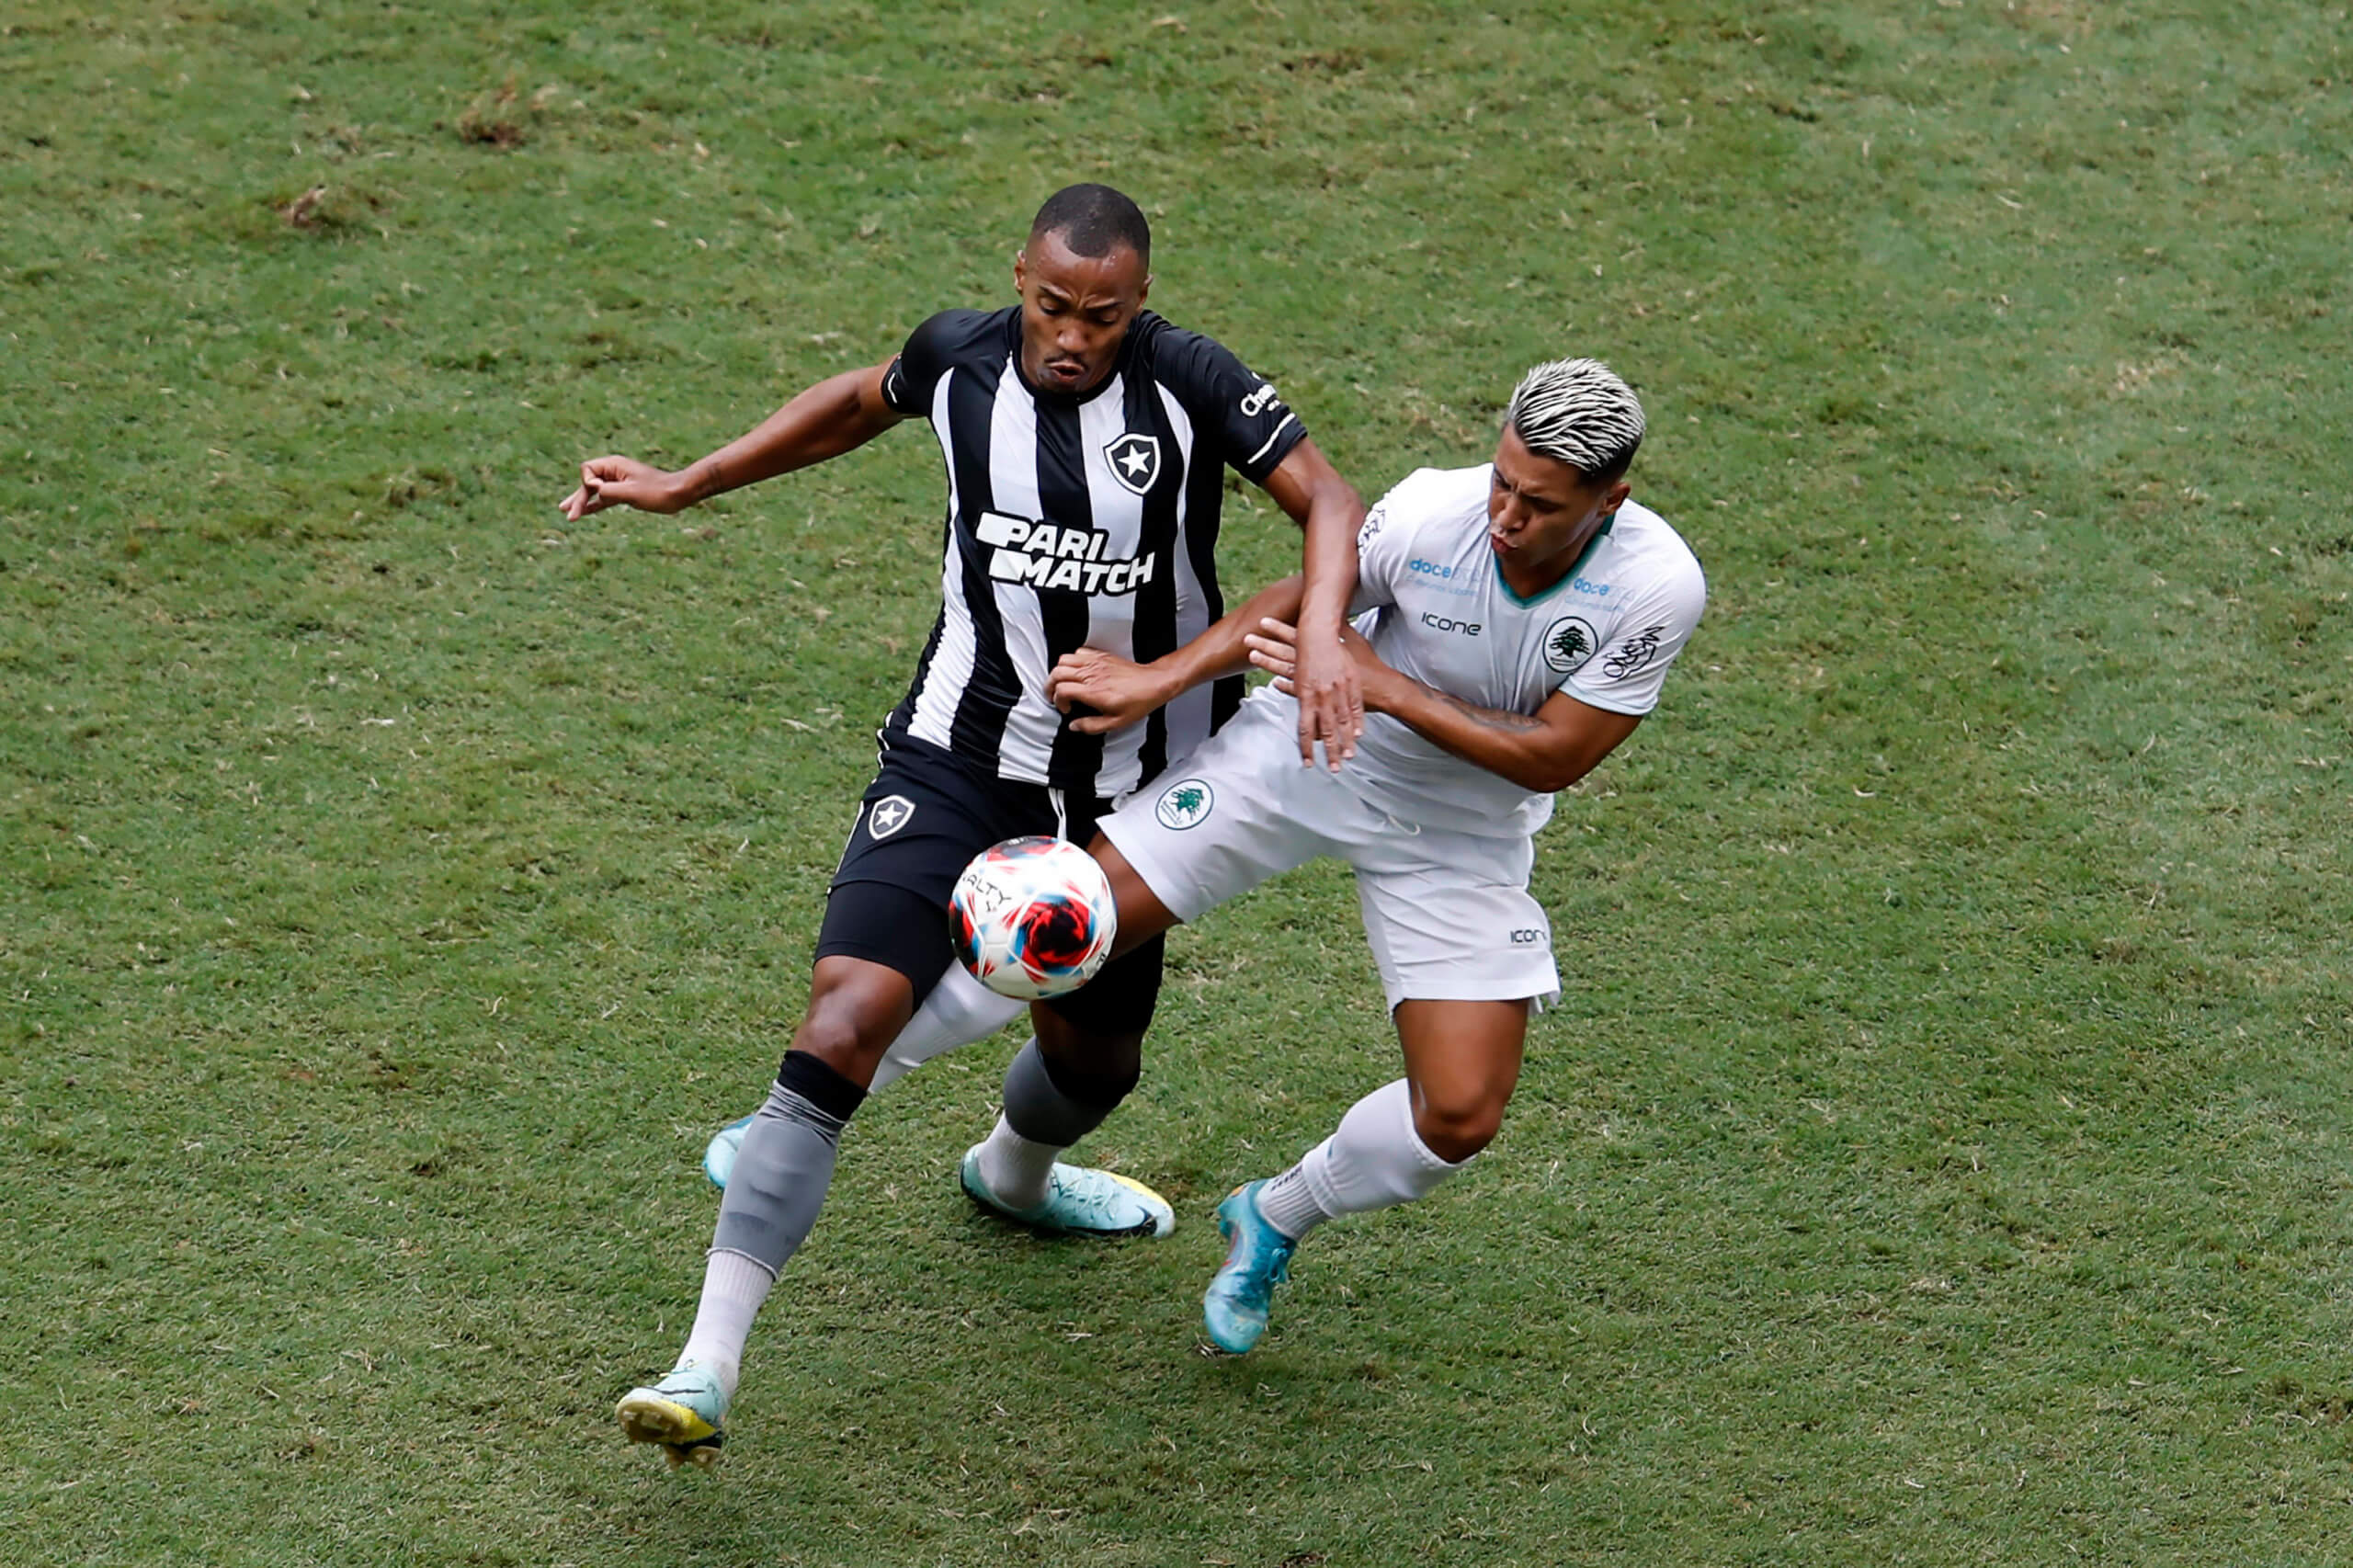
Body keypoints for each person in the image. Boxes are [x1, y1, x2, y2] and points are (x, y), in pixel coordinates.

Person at [558, 183, 1366, 1466]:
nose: (1072, 335)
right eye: (1052, 304)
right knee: (839, 1017)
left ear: (1137, 305)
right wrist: (687, 482)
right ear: (1019, 280)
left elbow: (1330, 501)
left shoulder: (1194, 384)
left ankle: (1013, 1174)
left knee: (1095, 1066)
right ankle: (704, 1365)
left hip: (1133, 787)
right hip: (958, 755)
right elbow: (852, 401)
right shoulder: (958, 355)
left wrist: (1316, 634)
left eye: (1103, 316)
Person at [1025, 356, 1707, 1352]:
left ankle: (1274, 1213)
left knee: (1461, 1112)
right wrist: (1155, 680)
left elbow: (1555, 757)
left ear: (1612, 501)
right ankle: (820, 1105)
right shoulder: (1434, 511)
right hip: (1313, 748)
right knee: (1064, 920)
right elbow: (1305, 596)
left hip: (1461, 828)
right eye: (1503, 480)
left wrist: (1387, 685)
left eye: (1539, 502)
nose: (1505, 515)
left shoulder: (1655, 586)